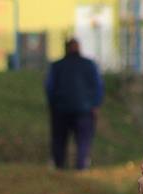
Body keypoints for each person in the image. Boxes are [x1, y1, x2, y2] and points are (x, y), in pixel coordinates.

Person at [45, 37, 104, 170]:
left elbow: (50, 87)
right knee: (83, 142)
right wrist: (95, 104)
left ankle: (59, 166)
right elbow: (98, 86)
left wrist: (52, 104)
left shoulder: (57, 66)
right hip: (85, 110)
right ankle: (81, 167)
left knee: (59, 140)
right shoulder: (89, 65)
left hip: (61, 109)